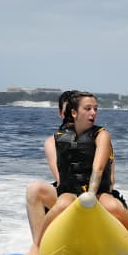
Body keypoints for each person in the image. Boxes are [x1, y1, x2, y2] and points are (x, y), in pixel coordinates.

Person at [27, 91, 128, 255]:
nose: (93, 113)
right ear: (74, 113)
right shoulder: (58, 139)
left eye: (95, 109)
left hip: (96, 192)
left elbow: (98, 169)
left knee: (113, 205)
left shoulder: (101, 135)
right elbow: (61, 176)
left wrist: (90, 197)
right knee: (62, 204)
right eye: (88, 109)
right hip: (71, 191)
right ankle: (38, 247)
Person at [26, 90, 76, 246]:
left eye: (73, 111)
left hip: (97, 197)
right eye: (66, 111)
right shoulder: (52, 142)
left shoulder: (99, 138)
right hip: (67, 195)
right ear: (60, 113)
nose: (70, 116)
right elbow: (61, 179)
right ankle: (39, 250)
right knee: (35, 189)